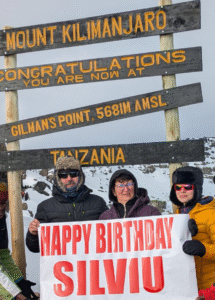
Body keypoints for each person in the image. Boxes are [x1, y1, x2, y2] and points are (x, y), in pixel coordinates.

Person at [26, 156, 108, 253]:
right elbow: (35, 248)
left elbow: (112, 236)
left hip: (93, 265)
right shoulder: (45, 207)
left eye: (73, 174)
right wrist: (33, 234)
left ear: (80, 175)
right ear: (58, 178)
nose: (69, 178)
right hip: (62, 266)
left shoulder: (98, 202)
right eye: (63, 175)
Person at [169, 166, 215, 291]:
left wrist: (203, 249)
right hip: (189, 287)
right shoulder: (178, 215)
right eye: (178, 187)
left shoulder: (211, 213)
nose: (182, 191)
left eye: (188, 187)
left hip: (210, 286)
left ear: (197, 188)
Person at [0, 181, 38, 300]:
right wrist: (14, 295)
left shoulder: (1, 219)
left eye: (3, 203)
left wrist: (20, 282)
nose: (1, 207)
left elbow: (3, 255)